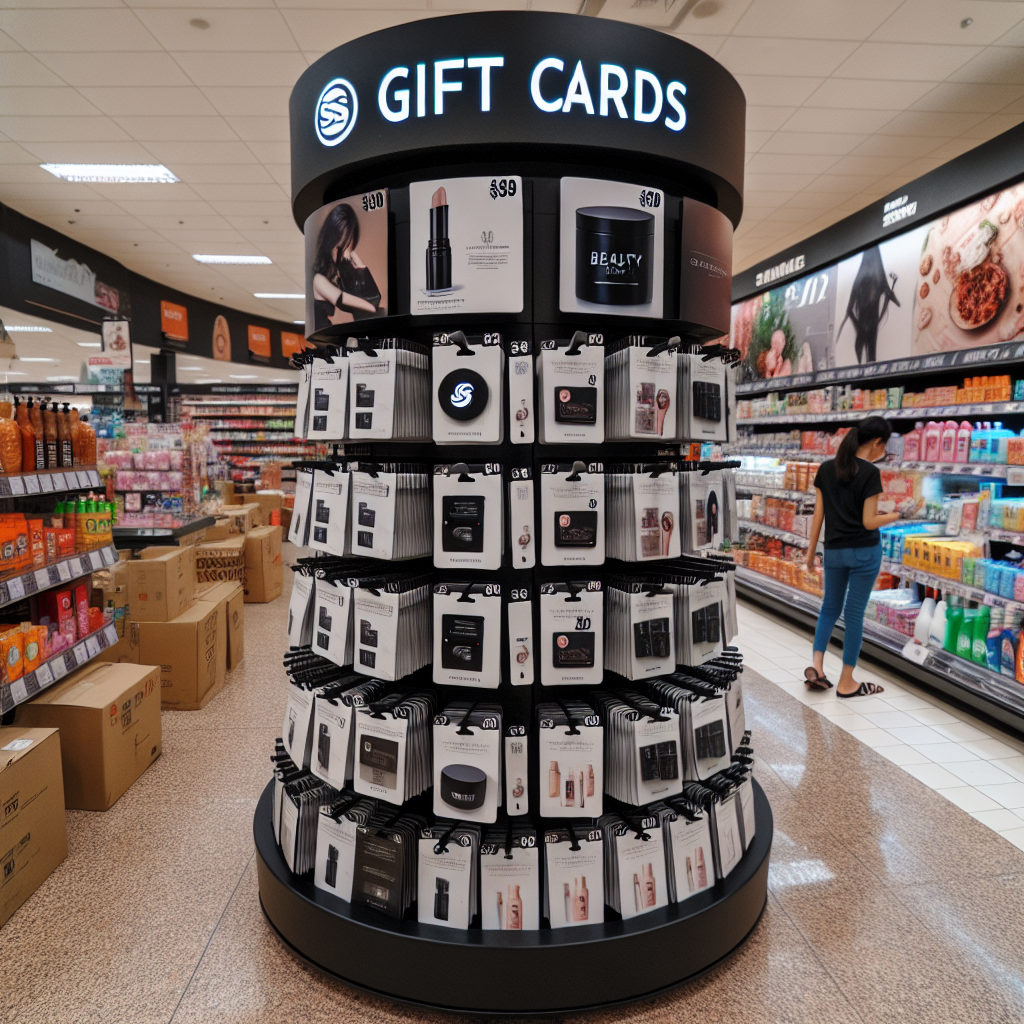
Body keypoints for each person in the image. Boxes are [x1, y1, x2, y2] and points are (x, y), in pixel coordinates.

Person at [804, 416, 900, 697]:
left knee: (829, 609)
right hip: (863, 553)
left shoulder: (825, 469)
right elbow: (869, 522)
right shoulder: (870, 473)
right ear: (877, 442)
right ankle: (847, 682)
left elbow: (818, 516)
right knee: (854, 614)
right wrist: (896, 515)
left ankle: (818, 668)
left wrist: (811, 554)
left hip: (833, 551)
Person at [311, 203, 381, 330]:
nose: (344, 252)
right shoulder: (319, 280)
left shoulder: (338, 273)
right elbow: (368, 305)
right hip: (325, 338)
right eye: (340, 246)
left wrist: (354, 256)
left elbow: (373, 297)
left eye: (348, 243)